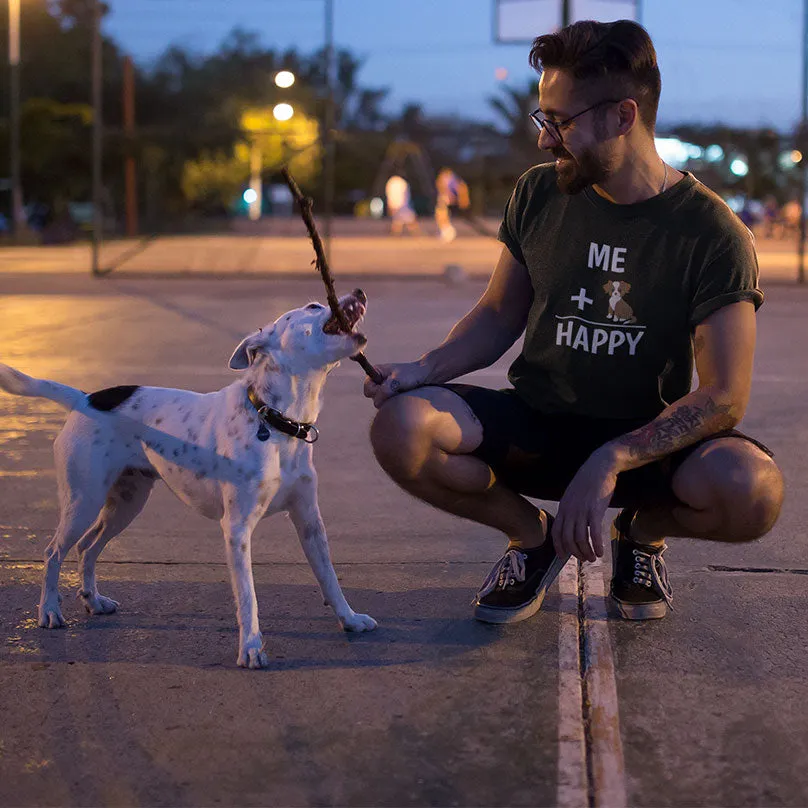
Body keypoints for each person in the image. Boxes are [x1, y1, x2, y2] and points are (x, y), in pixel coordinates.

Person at [363, 20, 784, 625]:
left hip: (645, 442)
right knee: (401, 428)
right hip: (540, 423)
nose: (544, 140)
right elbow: (497, 313)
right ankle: (531, 540)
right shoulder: (538, 193)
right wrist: (422, 369)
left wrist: (612, 458)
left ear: (622, 116)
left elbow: (724, 397)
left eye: (560, 123)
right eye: (543, 120)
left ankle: (641, 535)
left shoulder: (713, 233)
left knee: (754, 492)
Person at [434, 167, 470, 242]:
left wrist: (462, 199)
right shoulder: (449, 179)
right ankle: (446, 231)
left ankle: (448, 232)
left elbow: (460, 188)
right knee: (441, 215)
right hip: (445, 197)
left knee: (441, 214)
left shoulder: (450, 179)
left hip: (446, 197)